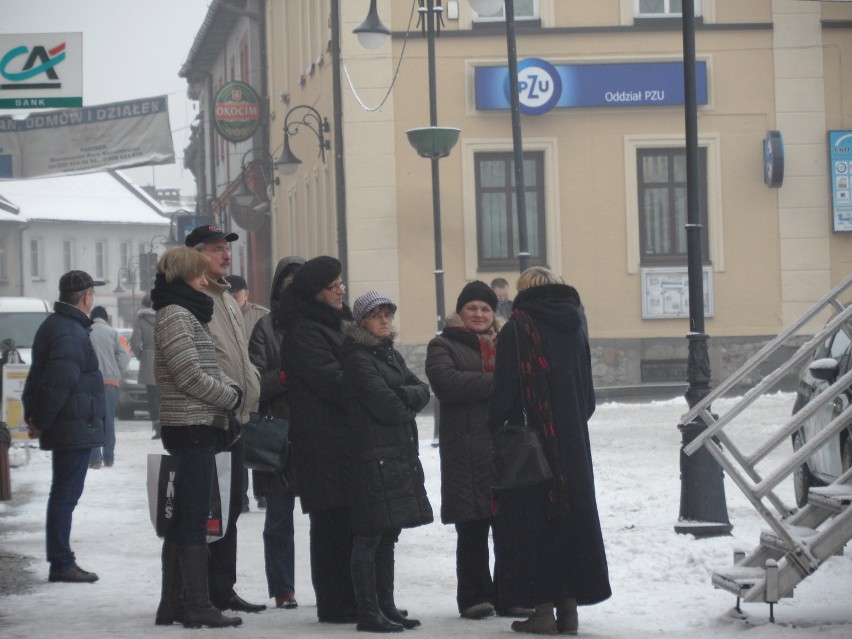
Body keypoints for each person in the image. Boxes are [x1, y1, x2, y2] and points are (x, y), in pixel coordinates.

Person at [486, 267, 610, 635]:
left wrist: (500, 428)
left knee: (534, 526)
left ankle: (542, 610)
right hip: (573, 445)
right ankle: (569, 611)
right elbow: (587, 397)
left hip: (532, 448)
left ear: (523, 293)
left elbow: (504, 396)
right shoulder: (575, 326)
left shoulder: (517, 329)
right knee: (570, 520)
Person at [425, 280, 530, 619]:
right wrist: (502, 382)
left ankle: (510, 594)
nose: (479, 314)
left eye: (485, 308)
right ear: (460, 312)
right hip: (466, 450)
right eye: (472, 308)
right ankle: (473, 597)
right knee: (472, 527)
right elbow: (448, 383)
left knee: (510, 527)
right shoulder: (442, 344)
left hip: (505, 447)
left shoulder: (508, 342)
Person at [150, 246, 243, 629]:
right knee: (191, 517)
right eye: (199, 275)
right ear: (185, 275)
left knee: (186, 515)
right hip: (190, 427)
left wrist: (232, 388)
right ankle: (197, 605)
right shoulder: (174, 314)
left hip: (199, 424)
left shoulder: (186, 311)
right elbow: (188, 375)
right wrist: (229, 397)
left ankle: (173, 604)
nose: (206, 281)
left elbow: (208, 365)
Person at [341, 291, 433, 632]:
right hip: (371, 457)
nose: (384, 321)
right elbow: (389, 407)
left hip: (394, 454)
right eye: (377, 315)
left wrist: (405, 396)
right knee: (369, 536)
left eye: (388, 315)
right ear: (362, 320)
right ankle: (369, 611)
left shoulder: (386, 353)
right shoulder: (357, 357)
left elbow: (421, 389)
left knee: (388, 534)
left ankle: (386, 605)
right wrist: (406, 397)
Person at [185, 225, 265, 614]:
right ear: (198, 255)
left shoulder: (226, 297)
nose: (226, 255)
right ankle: (198, 592)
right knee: (207, 509)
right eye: (218, 249)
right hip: (209, 415)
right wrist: (226, 394)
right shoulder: (193, 298)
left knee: (232, 505)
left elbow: (238, 353)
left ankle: (223, 587)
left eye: (227, 249)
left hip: (236, 416)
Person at [276, 255, 357, 623]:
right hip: (322, 441)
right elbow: (335, 381)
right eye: (333, 286)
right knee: (330, 524)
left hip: (344, 439)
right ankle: (336, 603)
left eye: (341, 283)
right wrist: (370, 381)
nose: (341, 290)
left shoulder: (338, 324)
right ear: (314, 293)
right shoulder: (305, 330)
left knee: (351, 522)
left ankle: (359, 597)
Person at [22, 270, 106, 583]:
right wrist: (39, 420)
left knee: (63, 494)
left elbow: (40, 378)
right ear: (86, 298)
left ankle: (62, 558)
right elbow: (57, 383)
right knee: (65, 496)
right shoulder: (70, 331)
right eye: (92, 294)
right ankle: (61, 561)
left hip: (71, 424)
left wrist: (35, 415)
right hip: (72, 427)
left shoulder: (60, 325)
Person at [247, 256, 304, 610]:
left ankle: (331, 583)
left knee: (330, 515)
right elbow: (252, 383)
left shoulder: (326, 325)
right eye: (288, 280)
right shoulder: (265, 329)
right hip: (279, 433)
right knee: (279, 517)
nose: (294, 286)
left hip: (318, 432)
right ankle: (283, 587)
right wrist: (282, 378)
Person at [224, 273, 270, 512]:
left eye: (236, 296)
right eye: (229, 296)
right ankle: (240, 497)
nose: (233, 300)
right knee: (237, 444)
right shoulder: (219, 315)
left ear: (246, 295)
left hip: (259, 389)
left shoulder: (261, 316)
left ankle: (262, 493)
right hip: (233, 390)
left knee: (259, 443)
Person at [88, 305, 129, 469]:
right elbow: (125, 355)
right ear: (106, 319)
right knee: (108, 421)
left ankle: (95, 458)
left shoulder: (86, 331)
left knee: (92, 419)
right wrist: (116, 371)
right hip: (110, 383)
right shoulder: (114, 333)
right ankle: (109, 458)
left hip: (91, 382)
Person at [130, 294, 161, 439]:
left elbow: (135, 343)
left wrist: (141, 356)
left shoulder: (140, 320)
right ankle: (169, 426)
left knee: (153, 396)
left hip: (148, 359)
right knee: (166, 396)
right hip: (165, 359)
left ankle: (157, 427)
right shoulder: (165, 317)